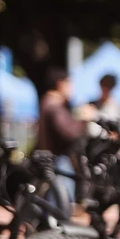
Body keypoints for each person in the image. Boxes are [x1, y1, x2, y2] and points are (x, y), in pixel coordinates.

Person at [37, 66, 88, 211]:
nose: (72, 88)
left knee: (55, 204)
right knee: (61, 207)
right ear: (61, 84)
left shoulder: (46, 103)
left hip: (52, 161)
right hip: (59, 162)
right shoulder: (54, 106)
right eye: (70, 84)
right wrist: (83, 119)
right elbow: (69, 133)